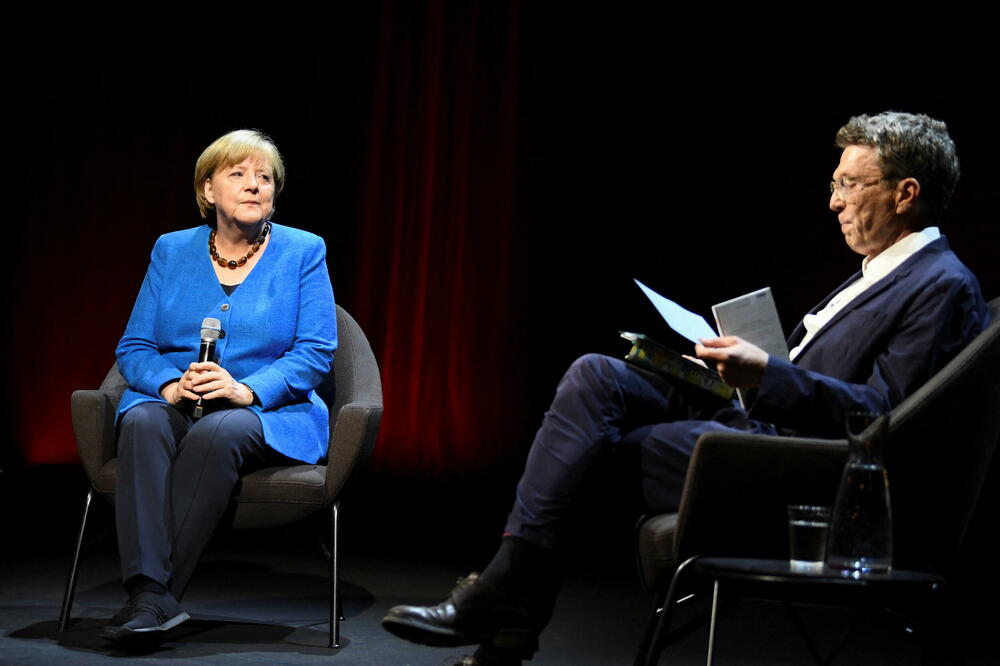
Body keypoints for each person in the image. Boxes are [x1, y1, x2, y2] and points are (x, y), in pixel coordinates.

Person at [381, 112, 990, 664]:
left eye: (850, 184)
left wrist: (768, 373)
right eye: (835, 184)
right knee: (596, 375)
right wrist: (737, 370)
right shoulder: (878, 273)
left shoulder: (941, 284)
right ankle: (506, 604)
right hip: (756, 420)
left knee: (580, 458)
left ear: (905, 193)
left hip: (796, 465)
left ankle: (505, 604)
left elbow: (883, 420)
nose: (833, 202)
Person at [102, 129, 337, 646]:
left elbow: (316, 350)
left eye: (265, 177)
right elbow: (135, 345)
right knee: (140, 420)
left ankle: (150, 597)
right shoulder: (170, 250)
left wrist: (246, 390)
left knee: (220, 432)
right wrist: (167, 385)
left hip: (266, 410)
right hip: (175, 399)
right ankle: (154, 598)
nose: (254, 185)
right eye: (238, 174)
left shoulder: (303, 250)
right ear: (208, 190)